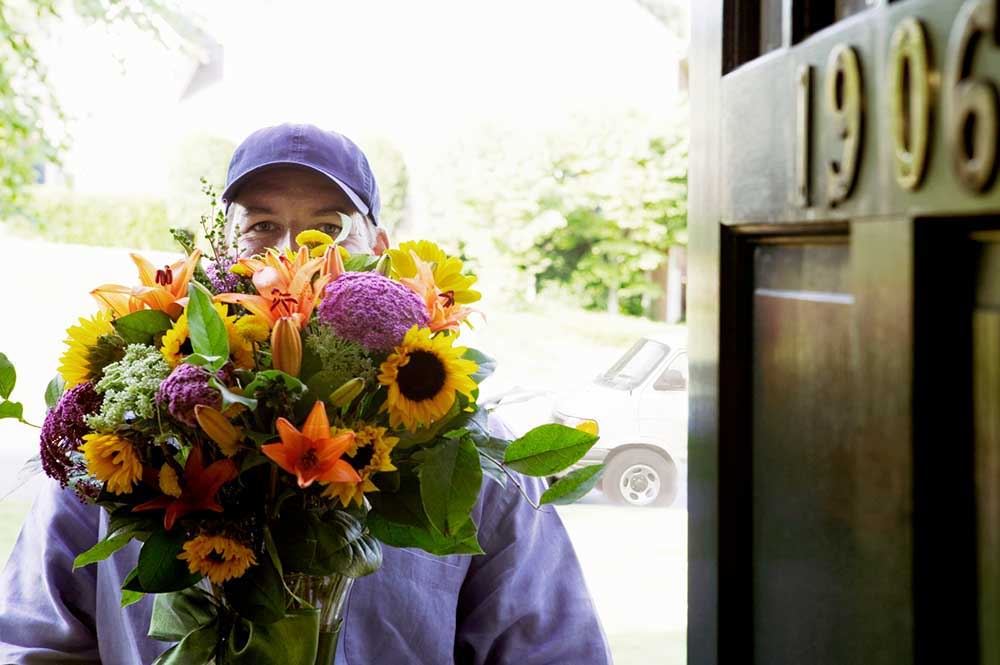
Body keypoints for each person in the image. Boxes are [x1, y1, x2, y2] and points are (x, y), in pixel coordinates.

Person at [0, 123, 613, 664]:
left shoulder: (466, 452)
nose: (293, 253)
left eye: (329, 228)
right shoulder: (117, 443)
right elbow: (32, 641)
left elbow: (553, 648)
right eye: (261, 227)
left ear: (380, 250)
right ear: (219, 253)